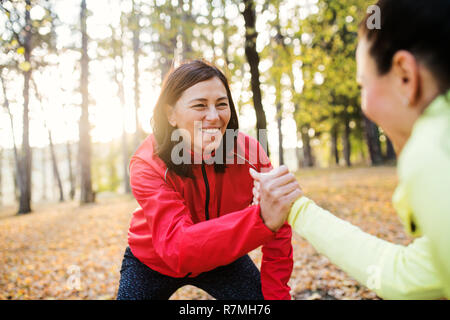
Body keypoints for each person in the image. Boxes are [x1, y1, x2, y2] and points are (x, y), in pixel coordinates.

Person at [251, 0, 450, 299]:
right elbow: (415, 276)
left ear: (405, 75)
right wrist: (297, 209)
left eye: (362, 85)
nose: (364, 105)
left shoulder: (431, 149)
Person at [117, 60, 299, 300]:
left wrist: (277, 298)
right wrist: (261, 218)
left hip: (223, 258)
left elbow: (279, 226)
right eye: (200, 105)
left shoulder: (250, 154)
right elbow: (177, 248)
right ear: (171, 114)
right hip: (152, 262)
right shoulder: (147, 163)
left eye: (222, 104)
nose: (214, 116)